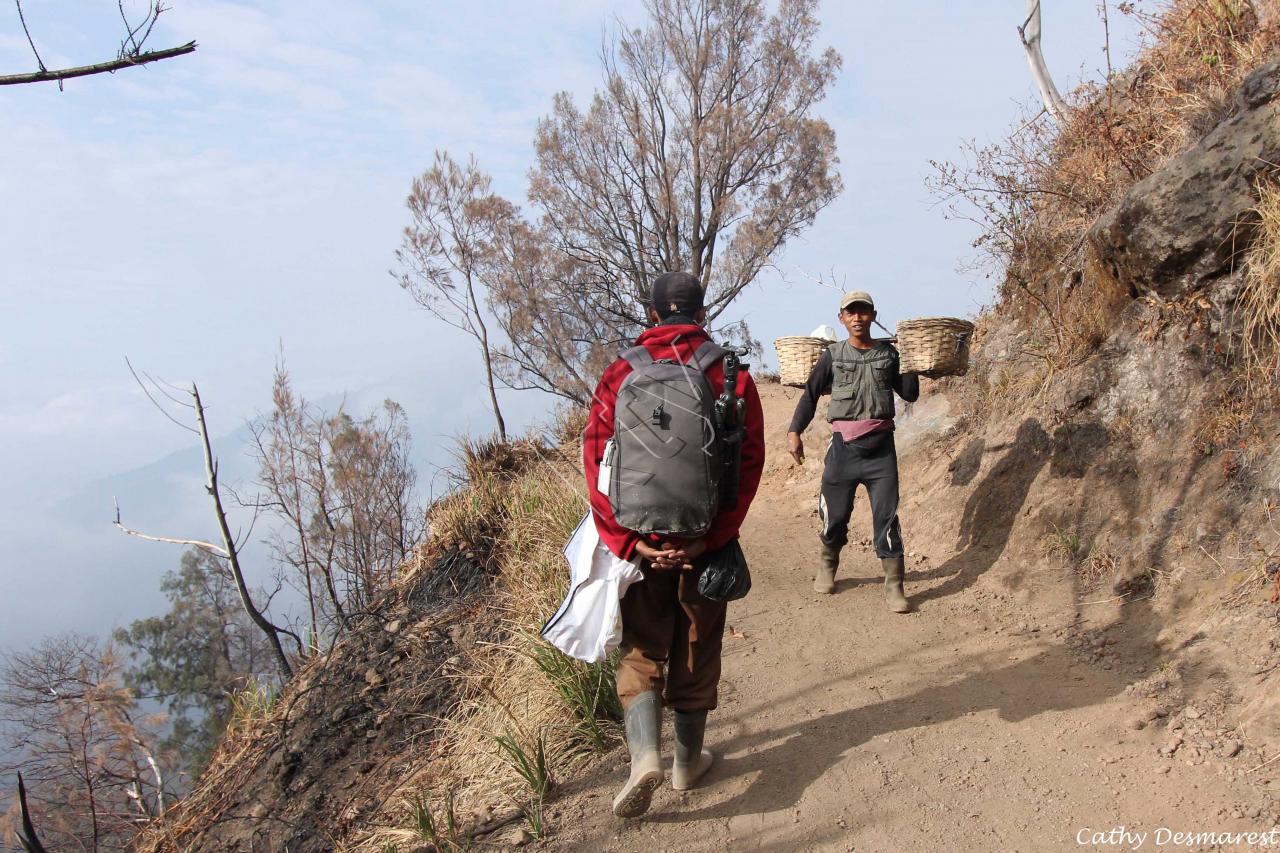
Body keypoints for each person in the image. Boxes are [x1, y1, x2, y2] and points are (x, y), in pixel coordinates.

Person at [583, 271, 765, 819]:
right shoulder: (729, 375)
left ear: (654, 314)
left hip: (640, 542)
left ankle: (644, 759)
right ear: (701, 311)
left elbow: (595, 465)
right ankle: (687, 764)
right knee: (697, 647)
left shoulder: (619, 374)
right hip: (701, 543)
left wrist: (631, 544)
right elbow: (749, 464)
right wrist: (711, 536)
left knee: (641, 649)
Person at [786, 290, 920, 611]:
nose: (857, 317)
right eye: (851, 312)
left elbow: (910, 395)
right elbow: (810, 395)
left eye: (863, 311)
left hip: (881, 453)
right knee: (834, 517)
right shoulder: (832, 356)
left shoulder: (888, 355)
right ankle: (828, 565)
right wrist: (794, 431)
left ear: (873, 316)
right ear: (842, 318)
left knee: (887, 517)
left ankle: (894, 586)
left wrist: (913, 359)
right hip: (843, 451)